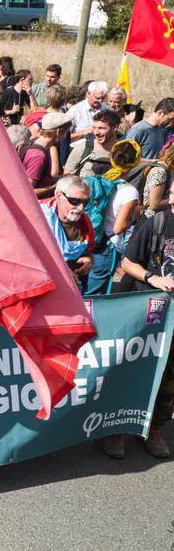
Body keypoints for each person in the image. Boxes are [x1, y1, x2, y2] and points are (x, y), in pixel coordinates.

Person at [112, 182, 174, 460]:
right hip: (148, 314)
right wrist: (153, 278)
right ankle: (116, 431)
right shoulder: (156, 224)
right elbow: (127, 263)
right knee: (135, 372)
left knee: (169, 379)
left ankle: (154, 429)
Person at [84, 140, 141, 295]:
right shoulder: (130, 192)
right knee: (97, 296)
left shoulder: (100, 181)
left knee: (83, 290)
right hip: (107, 247)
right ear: (135, 163)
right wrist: (133, 216)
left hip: (89, 242)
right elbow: (119, 227)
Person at [40, 176, 94, 280]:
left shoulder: (85, 223)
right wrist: (60, 270)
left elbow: (89, 249)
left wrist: (90, 259)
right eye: (75, 201)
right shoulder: (39, 216)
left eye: (85, 202)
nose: (81, 208)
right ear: (59, 196)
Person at [21, 112, 70, 198]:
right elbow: (28, 191)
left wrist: (63, 177)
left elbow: (45, 177)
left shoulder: (43, 148)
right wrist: (54, 188)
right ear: (58, 132)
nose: (65, 137)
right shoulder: (38, 156)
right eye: (65, 133)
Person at [64, 109, 120, 177]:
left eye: (101, 128)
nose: (96, 132)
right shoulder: (83, 148)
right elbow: (67, 177)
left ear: (115, 128)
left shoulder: (122, 151)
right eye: (94, 128)